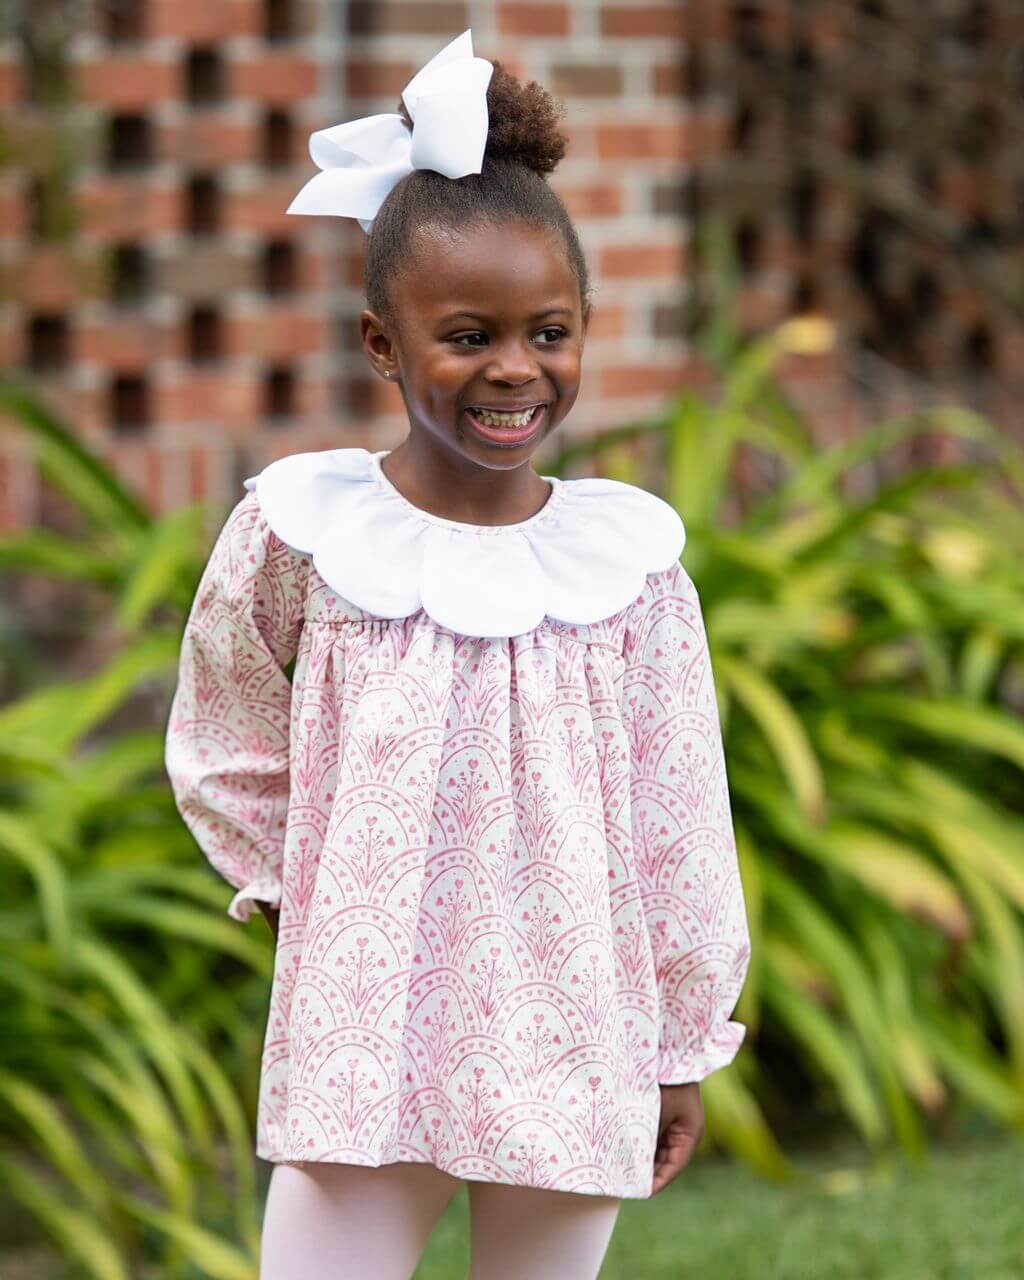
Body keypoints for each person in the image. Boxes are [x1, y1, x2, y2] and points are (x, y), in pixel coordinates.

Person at [164, 29, 751, 1280]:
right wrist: (294, 885)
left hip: (575, 1034)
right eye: (469, 334)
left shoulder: (631, 573)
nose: (514, 368)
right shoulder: (304, 534)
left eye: (549, 331)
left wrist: (679, 1042)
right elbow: (224, 714)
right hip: (362, 1035)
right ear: (382, 342)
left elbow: (681, 817)